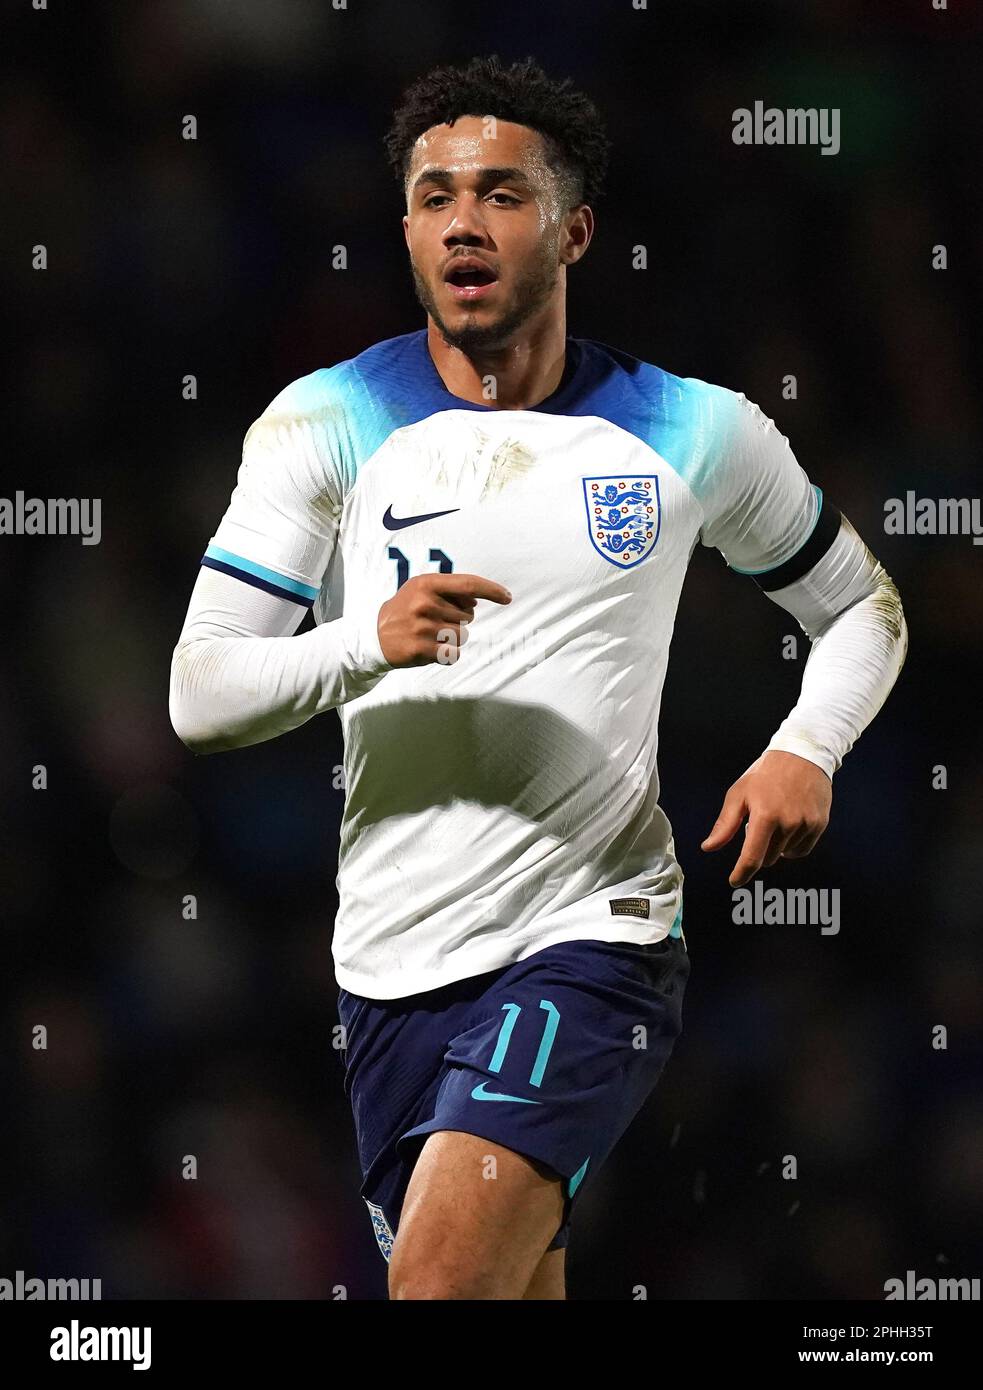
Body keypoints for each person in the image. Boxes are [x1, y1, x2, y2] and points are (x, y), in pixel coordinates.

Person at [169, 54, 908, 1300]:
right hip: (389, 965)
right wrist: (365, 641)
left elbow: (861, 610)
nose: (463, 220)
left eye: (501, 195)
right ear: (404, 227)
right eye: (433, 195)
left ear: (572, 231)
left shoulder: (694, 428)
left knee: (440, 1290)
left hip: (592, 938)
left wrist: (806, 746)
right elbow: (199, 691)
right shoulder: (326, 419)